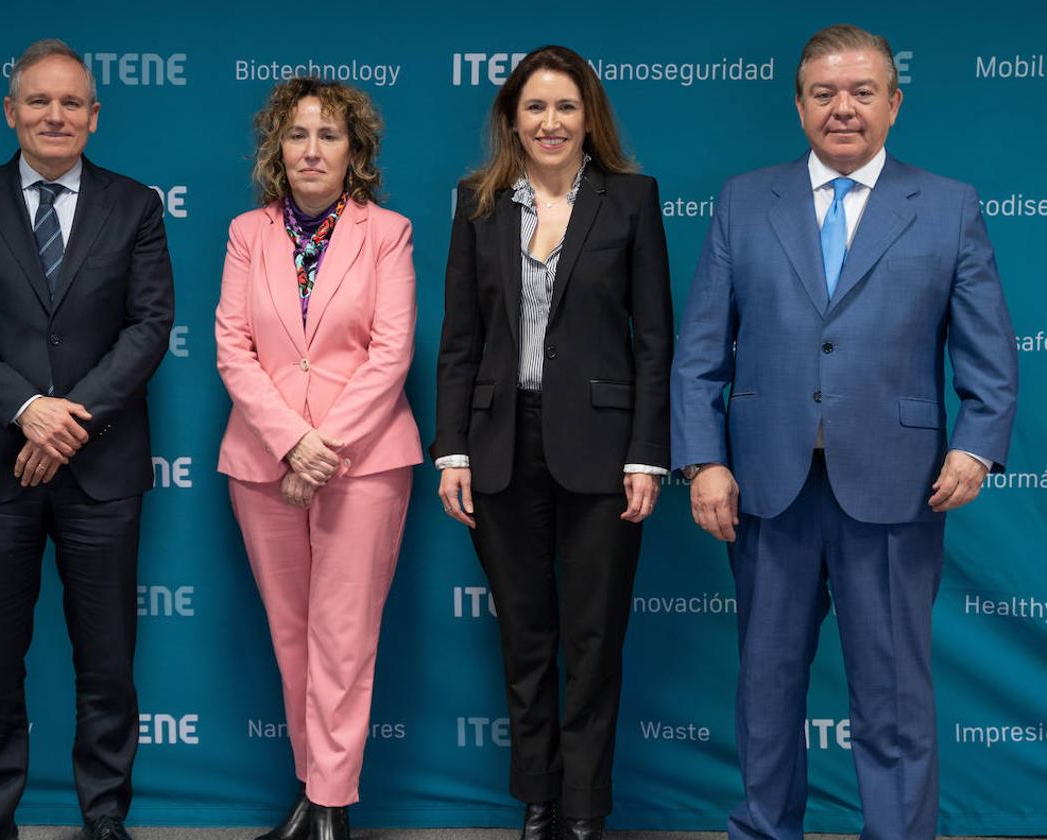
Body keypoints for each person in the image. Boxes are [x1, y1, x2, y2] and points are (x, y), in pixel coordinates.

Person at [671, 23, 1017, 840]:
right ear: (798, 107)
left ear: (894, 103)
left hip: (898, 487)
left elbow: (989, 355)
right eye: (824, 93)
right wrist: (702, 462)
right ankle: (763, 830)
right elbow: (697, 355)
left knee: (895, 697)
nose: (843, 108)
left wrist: (975, 444)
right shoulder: (744, 200)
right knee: (766, 690)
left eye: (862, 91)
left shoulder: (947, 205)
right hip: (765, 488)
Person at [0, 38, 174, 840]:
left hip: (102, 471)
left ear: (95, 116)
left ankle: (105, 818)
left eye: (72, 102)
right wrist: (29, 408)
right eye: (39, 100)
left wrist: (67, 422)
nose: (55, 115)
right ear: (11, 111)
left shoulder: (135, 205)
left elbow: (148, 327)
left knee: (107, 665)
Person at [432, 45, 672, 840]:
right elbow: (460, 340)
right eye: (535, 107)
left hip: (604, 448)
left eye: (565, 106)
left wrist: (646, 452)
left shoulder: (631, 200)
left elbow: (654, 341)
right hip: (502, 443)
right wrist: (453, 449)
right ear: (512, 118)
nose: (550, 122)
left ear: (588, 117)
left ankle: (584, 809)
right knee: (525, 635)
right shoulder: (478, 202)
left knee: (595, 638)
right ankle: (538, 800)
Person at [215, 77, 421, 840]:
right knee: (292, 636)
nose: (310, 150)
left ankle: (331, 807)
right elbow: (233, 349)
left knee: (344, 637)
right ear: (277, 148)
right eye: (297, 135)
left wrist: (321, 448)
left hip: (362, 463)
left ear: (354, 152)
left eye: (328, 136)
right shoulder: (246, 232)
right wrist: (289, 442)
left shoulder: (388, 232)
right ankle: (311, 795)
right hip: (265, 463)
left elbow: (391, 350)